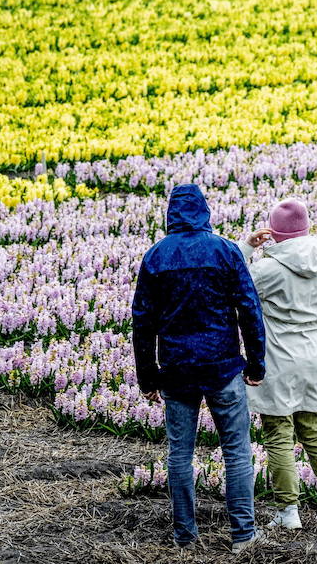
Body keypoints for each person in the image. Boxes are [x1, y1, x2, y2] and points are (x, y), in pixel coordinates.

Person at [131, 184, 268, 553]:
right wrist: (256, 363)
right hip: (222, 365)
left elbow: (142, 322)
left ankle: (185, 537)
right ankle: (243, 535)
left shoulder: (156, 256)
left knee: (180, 454)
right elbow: (249, 309)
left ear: (171, 214)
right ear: (205, 212)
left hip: (176, 368)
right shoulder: (224, 250)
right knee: (237, 451)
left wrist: (148, 376)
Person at [238, 198, 317, 529]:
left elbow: (236, 289)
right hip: (312, 357)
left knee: (278, 433)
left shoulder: (267, 269)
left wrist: (245, 249)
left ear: (273, 233)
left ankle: (289, 512)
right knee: (314, 430)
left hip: (278, 359)